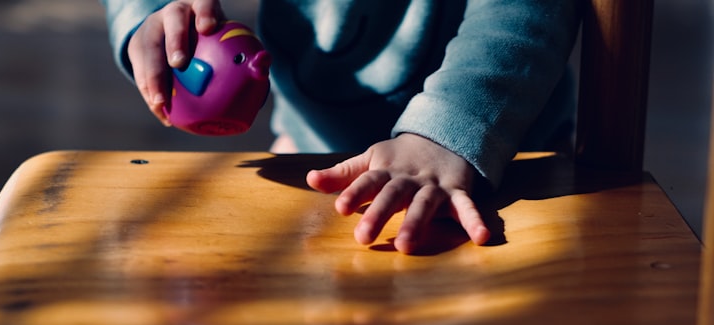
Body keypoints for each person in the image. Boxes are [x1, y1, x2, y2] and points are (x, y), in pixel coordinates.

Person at [101, 0, 579, 256]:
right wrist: (160, 13)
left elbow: (522, 12)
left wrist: (446, 131)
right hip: (314, 148)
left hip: (502, 155)